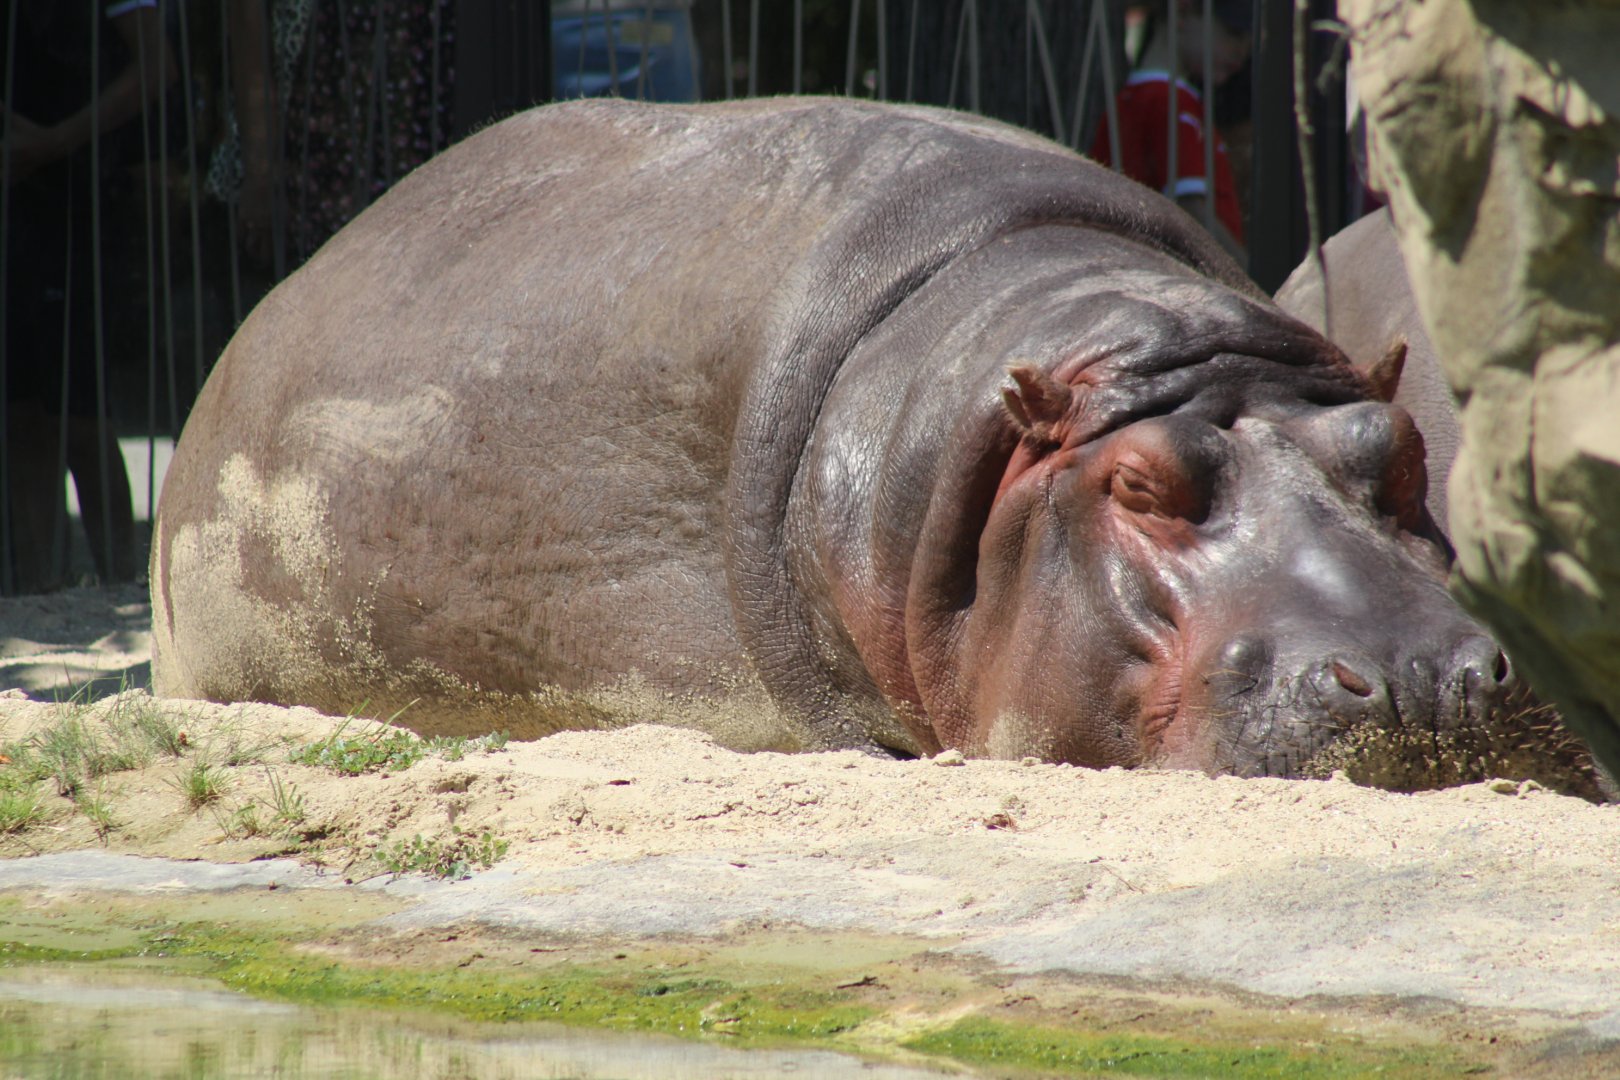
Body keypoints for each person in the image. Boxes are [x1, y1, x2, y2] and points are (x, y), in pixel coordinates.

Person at [2, 0, 175, 593]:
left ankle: (122, 580)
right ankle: (39, 582)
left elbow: (157, 68)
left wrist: (54, 142)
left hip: (81, 202)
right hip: (19, 206)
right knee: (19, 411)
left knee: (80, 413)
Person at [1089, 0, 1252, 262]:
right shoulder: (1173, 103)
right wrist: (1246, 275)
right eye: (1233, 34)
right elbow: (1192, 211)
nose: (1243, 50)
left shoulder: (1129, 100)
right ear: (1182, 14)